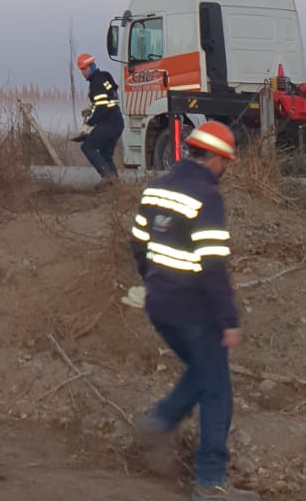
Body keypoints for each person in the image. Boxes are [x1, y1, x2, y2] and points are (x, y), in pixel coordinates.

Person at [129, 121, 259, 501]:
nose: (225, 170)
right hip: (194, 310)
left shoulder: (156, 187)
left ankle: (160, 420)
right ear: (216, 157)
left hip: (159, 304)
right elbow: (213, 265)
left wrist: (153, 279)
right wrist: (229, 320)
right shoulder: (206, 196)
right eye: (225, 162)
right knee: (217, 389)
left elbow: (138, 243)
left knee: (204, 372)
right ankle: (211, 482)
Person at [70, 53, 123, 179]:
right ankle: (115, 186)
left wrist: (89, 124)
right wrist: (91, 109)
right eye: (81, 70)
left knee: (88, 147)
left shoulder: (96, 82)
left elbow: (102, 109)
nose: (83, 72)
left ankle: (108, 177)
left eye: (85, 69)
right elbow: (105, 102)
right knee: (105, 154)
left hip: (109, 123)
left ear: (92, 66)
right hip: (117, 122)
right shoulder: (104, 78)